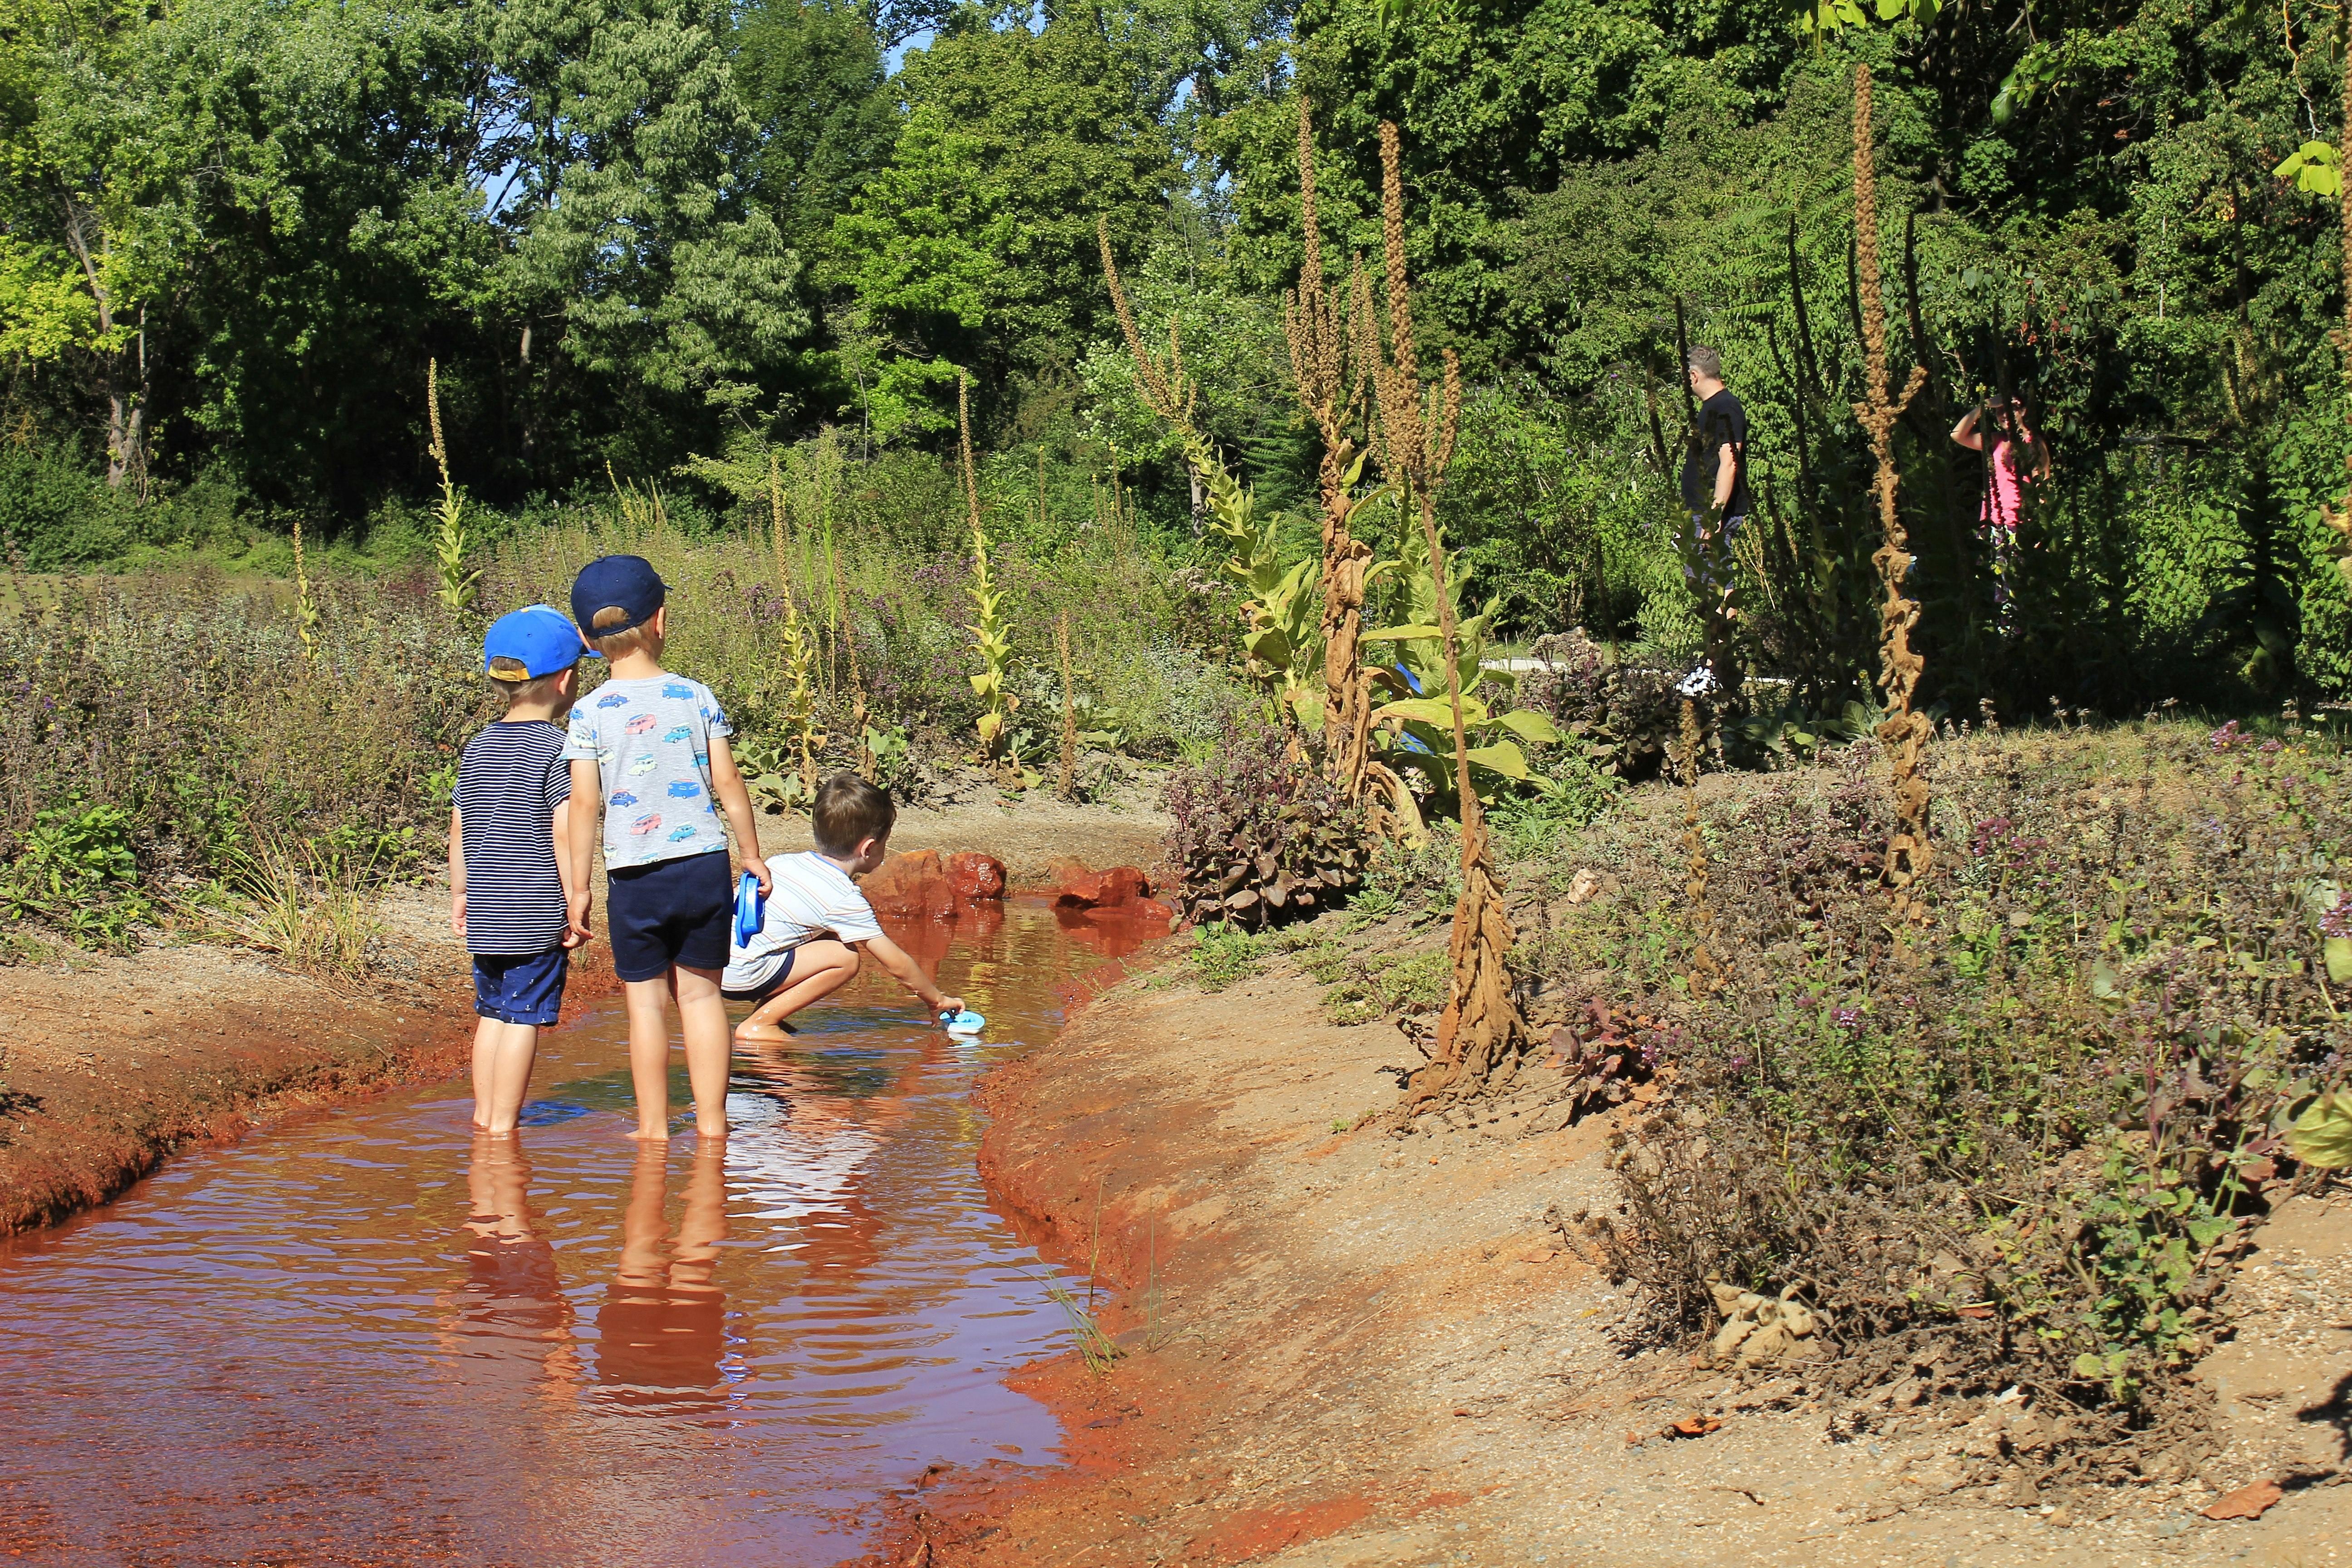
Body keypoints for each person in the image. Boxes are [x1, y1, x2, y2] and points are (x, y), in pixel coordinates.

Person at [561, 555, 773, 1142]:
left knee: (647, 1007)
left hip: (633, 875)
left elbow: (584, 807)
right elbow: (729, 784)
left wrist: (577, 890)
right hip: (702, 866)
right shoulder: (695, 697)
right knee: (703, 999)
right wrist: (751, 854)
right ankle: (712, 1124)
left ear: (585, 638)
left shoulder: (589, 713)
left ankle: (654, 1130)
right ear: (661, 620)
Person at [450, 604, 591, 1135]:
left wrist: (460, 892)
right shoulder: (560, 747)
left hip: (486, 906)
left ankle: (485, 1118)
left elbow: (460, 823)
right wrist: (577, 891)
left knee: (491, 1012)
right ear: (566, 679)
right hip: (533, 906)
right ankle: (505, 1129)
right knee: (524, 1016)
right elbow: (562, 829)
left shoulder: (479, 744)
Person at [723, 772, 963, 1044]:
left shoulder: (782, 862)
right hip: (746, 974)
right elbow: (895, 962)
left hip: (718, 965)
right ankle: (761, 1024)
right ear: (869, 848)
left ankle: (768, 1016)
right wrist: (936, 999)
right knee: (846, 958)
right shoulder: (842, 897)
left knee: (829, 935)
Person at [1679, 346, 1751, 691]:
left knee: (1718, 586)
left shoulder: (1725, 408)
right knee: (1704, 584)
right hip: (1699, 512)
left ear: (1694, 375)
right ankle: (1712, 662)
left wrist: (1714, 514)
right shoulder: (1713, 408)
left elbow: (1730, 461)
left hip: (1712, 514)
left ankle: (1717, 667)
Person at [1951, 393, 2049, 636]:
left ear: (2024, 411)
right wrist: (1983, 406)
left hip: (2020, 524)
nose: (2004, 415)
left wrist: (2042, 532)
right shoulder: (1996, 441)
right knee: (1995, 585)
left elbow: (2044, 488)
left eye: (2011, 409)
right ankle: (2002, 638)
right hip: (1994, 524)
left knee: (2014, 584)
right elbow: (1957, 435)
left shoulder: (2034, 443)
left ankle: (2014, 637)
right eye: (1999, 412)